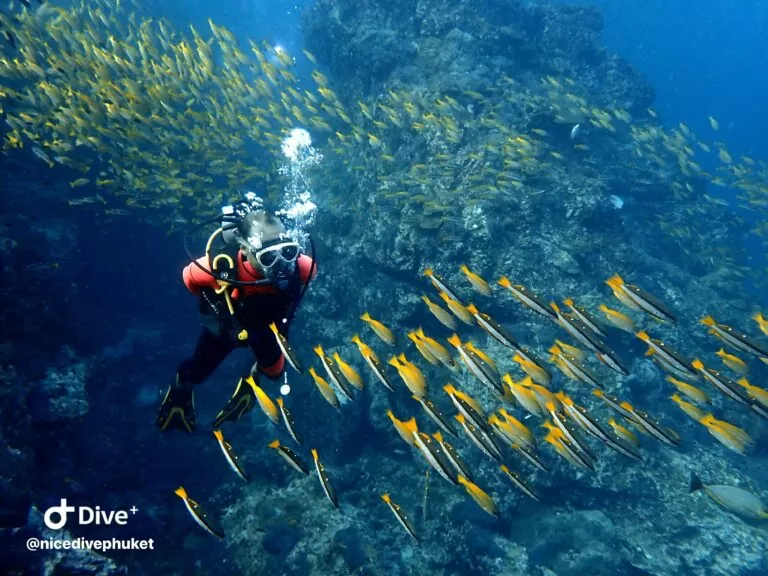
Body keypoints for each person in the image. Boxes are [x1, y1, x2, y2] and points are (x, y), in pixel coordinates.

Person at [157, 208, 315, 433]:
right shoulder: (217, 267)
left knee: (275, 373)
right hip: (225, 331)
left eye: (288, 252)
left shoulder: (304, 267)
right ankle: (179, 394)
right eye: (268, 257)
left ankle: (249, 384)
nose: (281, 264)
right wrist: (217, 302)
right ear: (244, 248)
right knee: (195, 373)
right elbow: (189, 278)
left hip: (269, 331)